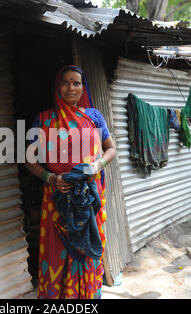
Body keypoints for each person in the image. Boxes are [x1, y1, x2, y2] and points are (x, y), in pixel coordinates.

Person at [25, 65, 117, 299]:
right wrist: (50, 178)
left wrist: (97, 165)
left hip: (87, 198)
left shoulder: (93, 116)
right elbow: (28, 158)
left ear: (83, 87)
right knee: (56, 252)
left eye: (76, 82)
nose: (71, 87)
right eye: (65, 82)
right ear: (58, 87)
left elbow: (111, 149)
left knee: (87, 249)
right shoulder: (43, 119)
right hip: (56, 198)